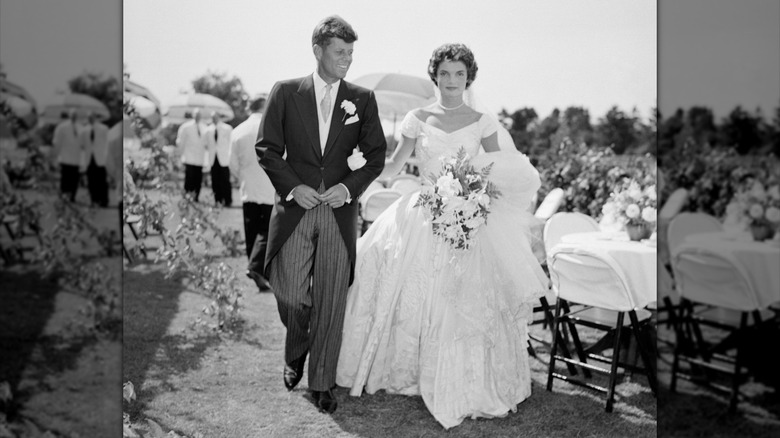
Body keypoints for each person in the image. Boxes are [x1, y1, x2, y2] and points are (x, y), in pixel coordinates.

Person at [335, 43, 548, 429]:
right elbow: (396, 162)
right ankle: (406, 368)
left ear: (469, 78)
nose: (452, 81)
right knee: (397, 280)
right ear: (435, 75)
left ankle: (466, 374)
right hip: (423, 211)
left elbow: (502, 168)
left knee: (466, 294)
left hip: (467, 215)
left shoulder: (483, 121)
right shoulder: (418, 118)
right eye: (446, 73)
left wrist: (474, 192)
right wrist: (356, 165)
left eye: (460, 74)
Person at [256, 15, 387, 414]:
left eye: (350, 52)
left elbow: (376, 155)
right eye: (339, 52)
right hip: (296, 209)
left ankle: (323, 381)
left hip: (339, 212)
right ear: (318, 51)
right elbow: (267, 149)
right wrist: (295, 187)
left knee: (331, 298)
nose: (346, 59)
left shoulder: (362, 99)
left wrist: (347, 188)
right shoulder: (284, 92)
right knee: (291, 292)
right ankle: (296, 348)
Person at [229, 95, 274, 292]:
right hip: (270, 186)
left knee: (252, 231)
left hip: (248, 188)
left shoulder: (238, 131)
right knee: (267, 230)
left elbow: (232, 164)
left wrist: (243, 177)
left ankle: (254, 268)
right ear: (265, 107)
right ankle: (257, 268)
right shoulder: (273, 127)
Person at [51, 109, 84, 202]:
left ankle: (72, 196)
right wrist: (56, 155)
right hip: (65, 157)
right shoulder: (62, 127)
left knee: (74, 179)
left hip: (76, 158)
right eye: (72, 115)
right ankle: (64, 195)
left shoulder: (80, 127)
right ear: (69, 115)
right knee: (65, 178)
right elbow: (56, 142)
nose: (73, 116)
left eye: (75, 115)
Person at [176, 109, 207, 201]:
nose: (198, 117)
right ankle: (187, 195)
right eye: (196, 115)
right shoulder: (185, 127)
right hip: (189, 157)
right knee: (189, 178)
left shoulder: (204, 127)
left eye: (199, 115)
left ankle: (196, 196)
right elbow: (180, 142)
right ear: (193, 115)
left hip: (200, 158)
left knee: (198, 179)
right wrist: (180, 156)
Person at [81, 112, 110, 207]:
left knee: (102, 181)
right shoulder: (85, 130)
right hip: (90, 159)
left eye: (92, 117)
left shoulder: (103, 128)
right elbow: (83, 145)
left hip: (100, 158)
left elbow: (107, 143)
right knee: (91, 181)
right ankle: (94, 200)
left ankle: (104, 200)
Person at [205, 111, 233, 207]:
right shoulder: (208, 130)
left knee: (225, 180)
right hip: (213, 158)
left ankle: (228, 200)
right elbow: (207, 145)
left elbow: (231, 143)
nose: (214, 119)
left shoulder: (227, 128)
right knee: (215, 181)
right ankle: (218, 200)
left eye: (216, 117)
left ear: (219, 117)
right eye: (213, 117)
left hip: (224, 158)